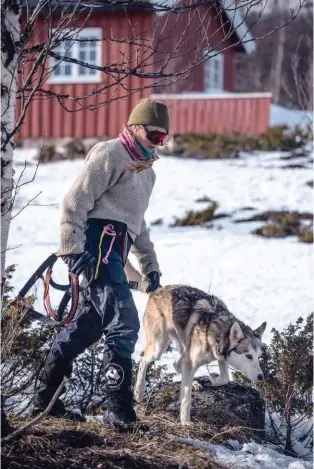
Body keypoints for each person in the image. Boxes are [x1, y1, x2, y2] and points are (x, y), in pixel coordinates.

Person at [32, 99, 170, 432]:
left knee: (89, 327)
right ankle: (119, 413)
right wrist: (71, 249)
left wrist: (149, 263)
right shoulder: (110, 154)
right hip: (95, 252)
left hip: (116, 253)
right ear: (135, 128)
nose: (157, 142)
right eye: (153, 134)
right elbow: (73, 202)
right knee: (123, 325)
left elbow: (137, 223)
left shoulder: (146, 173)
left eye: (163, 138)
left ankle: (43, 403)